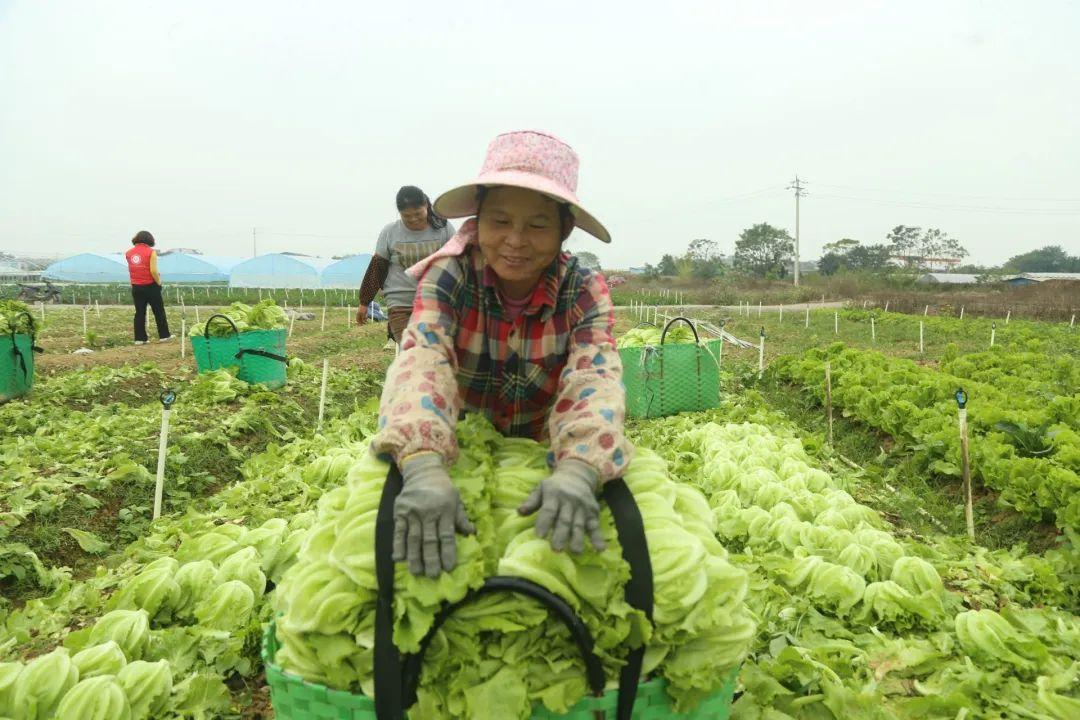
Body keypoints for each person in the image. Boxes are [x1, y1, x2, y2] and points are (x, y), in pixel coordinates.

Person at [371, 131, 630, 578]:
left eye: (537, 225)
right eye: (499, 221)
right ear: (477, 221)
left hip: (543, 454)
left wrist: (581, 468)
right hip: (452, 446)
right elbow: (422, 360)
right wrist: (423, 464)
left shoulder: (583, 290)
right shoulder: (448, 275)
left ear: (564, 230)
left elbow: (595, 376)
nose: (515, 240)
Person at [357, 186, 455, 346]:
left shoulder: (443, 228)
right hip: (400, 303)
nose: (414, 219)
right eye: (407, 216)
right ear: (399, 213)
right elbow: (377, 268)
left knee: (434, 351)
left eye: (418, 214)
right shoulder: (390, 232)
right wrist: (364, 302)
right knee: (411, 350)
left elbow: (457, 262)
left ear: (427, 207)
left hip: (435, 302)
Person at [125, 230, 172, 345]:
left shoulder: (129, 253)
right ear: (149, 240)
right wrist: (159, 282)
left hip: (136, 286)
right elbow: (153, 270)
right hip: (150, 285)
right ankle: (164, 336)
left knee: (140, 312)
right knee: (158, 311)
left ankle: (140, 339)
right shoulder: (151, 252)